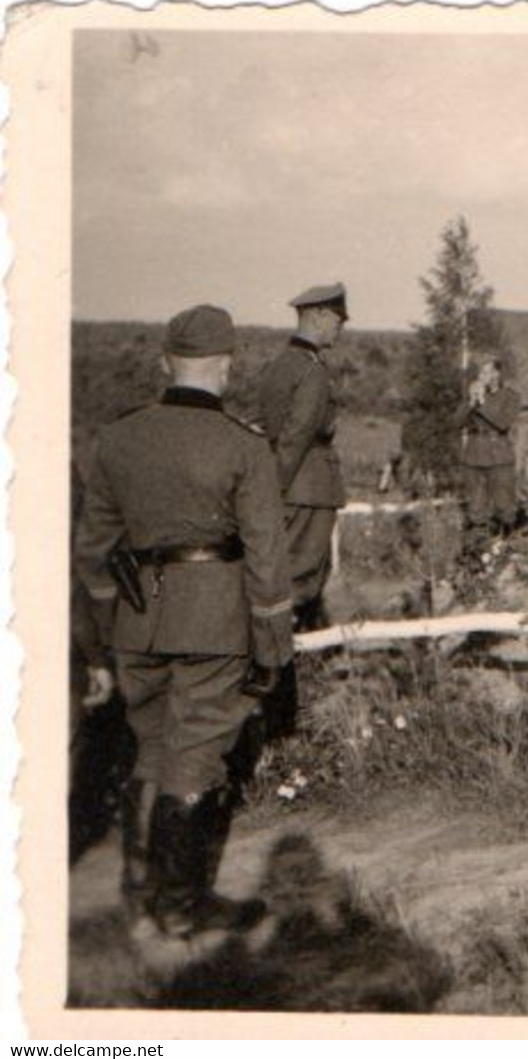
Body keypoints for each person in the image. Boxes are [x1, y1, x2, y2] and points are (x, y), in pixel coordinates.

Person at [73, 304, 294, 937]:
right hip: (214, 623)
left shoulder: (118, 438)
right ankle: (179, 905)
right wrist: (272, 645)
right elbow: (267, 558)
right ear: (226, 366)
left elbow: (92, 553)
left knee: (151, 746)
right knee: (197, 752)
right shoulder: (242, 446)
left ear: (165, 362)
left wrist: (110, 626)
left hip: (136, 624)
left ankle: (141, 896)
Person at [256, 282, 347, 632]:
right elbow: (296, 437)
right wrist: (274, 489)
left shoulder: (280, 365)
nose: (340, 328)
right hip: (307, 488)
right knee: (301, 578)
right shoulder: (312, 371)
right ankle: (285, 663)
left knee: (286, 573)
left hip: (289, 483)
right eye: (337, 319)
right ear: (318, 316)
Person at [460, 356, 522, 538]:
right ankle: (478, 546)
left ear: (497, 374)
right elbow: (456, 422)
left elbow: (503, 423)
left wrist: (482, 404)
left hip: (499, 456)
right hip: (473, 454)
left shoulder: (511, 397)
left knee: (504, 505)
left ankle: (508, 544)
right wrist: (470, 403)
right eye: (480, 372)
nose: (482, 376)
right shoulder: (473, 395)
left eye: (486, 371)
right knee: (475, 505)